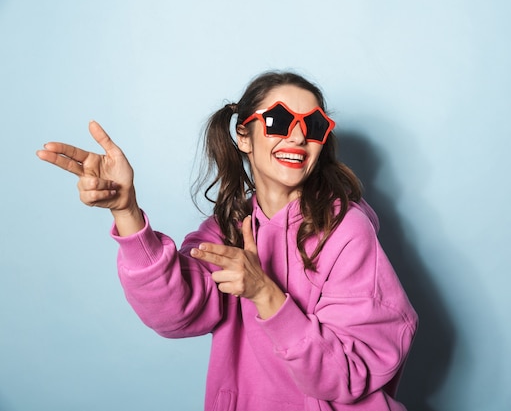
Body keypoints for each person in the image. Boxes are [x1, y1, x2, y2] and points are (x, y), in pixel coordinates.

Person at [36, 71, 418, 411]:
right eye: (279, 120)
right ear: (243, 136)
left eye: (314, 126)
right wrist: (126, 210)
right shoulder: (227, 230)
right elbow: (173, 312)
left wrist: (265, 294)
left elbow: (346, 376)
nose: (299, 135)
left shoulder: (346, 231)